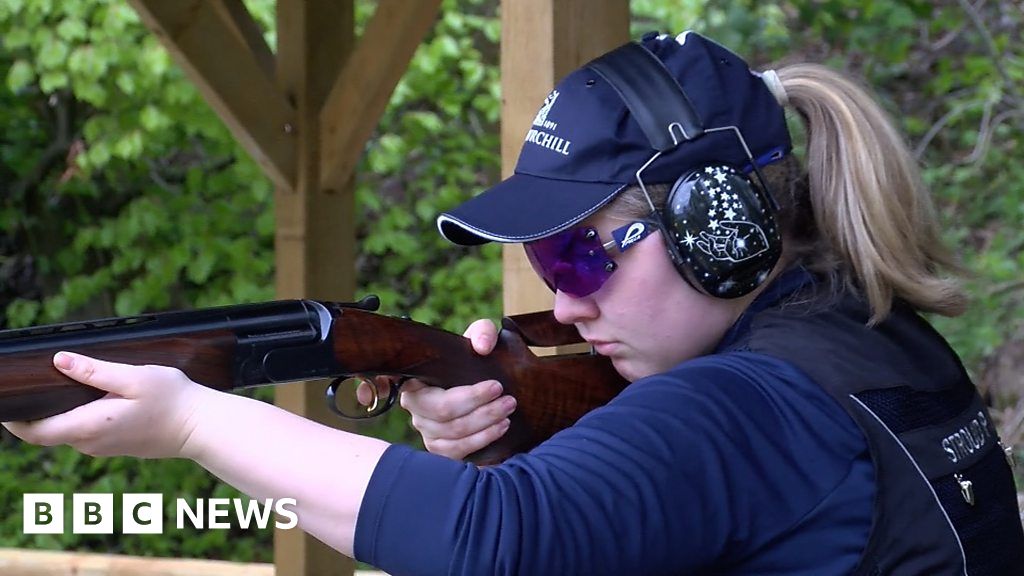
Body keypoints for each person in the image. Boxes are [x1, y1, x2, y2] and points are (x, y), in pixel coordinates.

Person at [4, 31, 1023, 575]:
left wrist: (191, 420)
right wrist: (522, 434)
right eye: (544, 258)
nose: (563, 302)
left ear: (720, 226)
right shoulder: (865, 338)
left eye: (582, 256)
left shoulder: (752, 405)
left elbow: (491, 541)